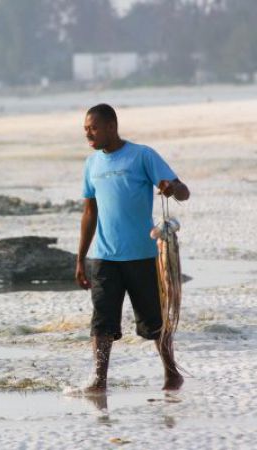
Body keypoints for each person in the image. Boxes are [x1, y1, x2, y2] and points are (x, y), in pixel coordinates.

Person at [76, 104, 190, 392]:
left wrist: (170, 188)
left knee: (155, 321)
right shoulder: (91, 164)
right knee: (101, 321)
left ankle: (171, 372)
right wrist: (80, 258)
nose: (88, 133)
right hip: (104, 257)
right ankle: (99, 380)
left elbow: (182, 191)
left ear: (112, 126)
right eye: (86, 129)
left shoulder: (142, 155)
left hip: (142, 255)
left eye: (93, 127)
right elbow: (90, 212)